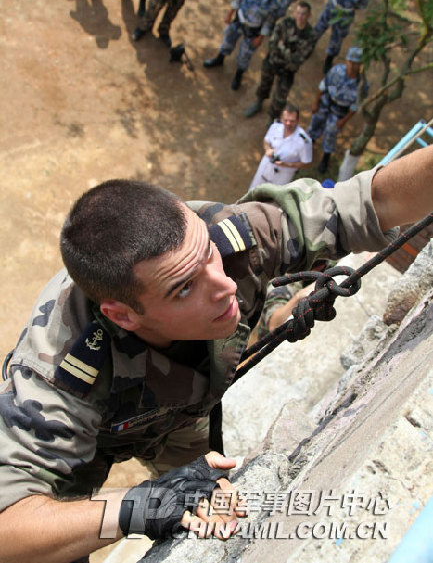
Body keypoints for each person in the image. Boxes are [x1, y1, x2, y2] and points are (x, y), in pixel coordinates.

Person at [1, 146, 433, 562]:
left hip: (182, 414)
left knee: (213, 495)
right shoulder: (58, 374)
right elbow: (8, 525)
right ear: (125, 315)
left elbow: (374, 199)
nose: (225, 285)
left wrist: (272, 319)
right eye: (185, 287)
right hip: (88, 443)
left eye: (208, 254)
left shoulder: (229, 238)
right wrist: (136, 508)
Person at [203, 0, 280, 91]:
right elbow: (239, 0)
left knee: (245, 54)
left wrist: (260, 38)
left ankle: (239, 75)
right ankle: (219, 59)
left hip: (253, 30)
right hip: (238, 21)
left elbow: (268, 23)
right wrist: (230, 14)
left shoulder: (273, 4)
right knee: (228, 40)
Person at [245, 1, 317, 121]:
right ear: (294, 13)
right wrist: (287, 52)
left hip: (288, 70)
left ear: (309, 15)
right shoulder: (285, 23)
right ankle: (258, 103)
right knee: (264, 84)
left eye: (304, 14)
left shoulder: (310, 35)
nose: (300, 17)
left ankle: (272, 118)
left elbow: (299, 58)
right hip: (273, 62)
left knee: (280, 97)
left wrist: (282, 47)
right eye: (298, 13)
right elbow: (273, 43)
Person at [308, 46, 369, 173]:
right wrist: (315, 103)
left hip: (340, 110)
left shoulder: (361, 85)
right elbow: (323, 85)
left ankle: (326, 156)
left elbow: (355, 106)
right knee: (316, 121)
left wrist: (344, 120)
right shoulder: (336, 71)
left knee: (331, 130)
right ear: (346, 61)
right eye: (350, 62)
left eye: (356, 63)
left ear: (361, 65)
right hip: (326, 101)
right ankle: (310, 143)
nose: (352, 66)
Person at [315, 0, 369, 73]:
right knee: (319, 27)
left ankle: (329, 59)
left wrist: (348, 7)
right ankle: (309, 46)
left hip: (345, 14)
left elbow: (362, 5)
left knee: (337, 38)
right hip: (333, 7)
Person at [249, 104, 312, 189]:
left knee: (271, 200)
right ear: (281, 118)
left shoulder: (304, 141)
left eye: (292, 121)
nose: (288, 123)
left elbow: (306, 163)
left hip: (282, 176)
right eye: (285, 120)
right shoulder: (275, 126)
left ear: (297, 120)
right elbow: (266, 140)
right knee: (253, 191)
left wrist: (286, 164)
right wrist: (268, 149)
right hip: (266, 167)